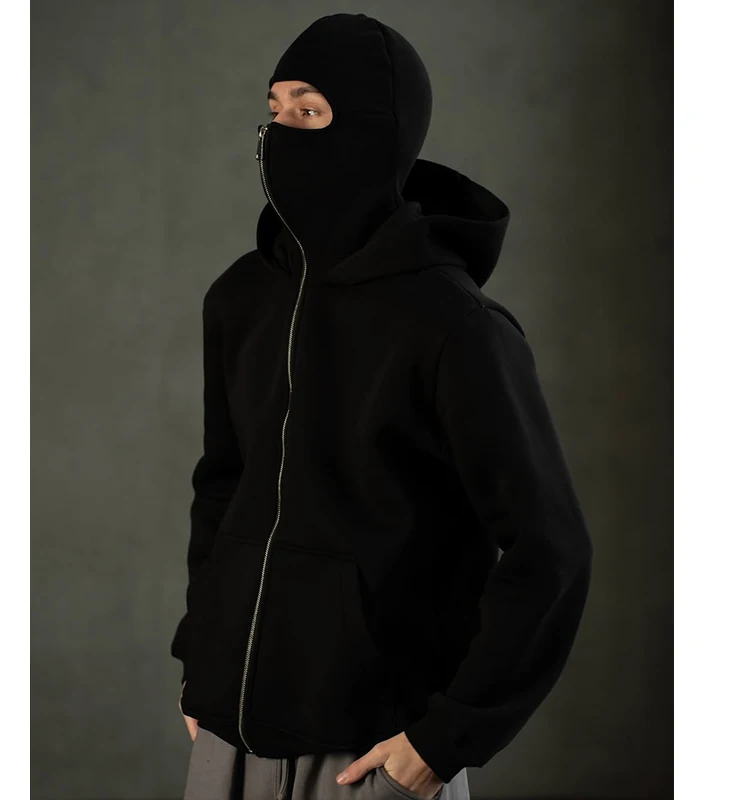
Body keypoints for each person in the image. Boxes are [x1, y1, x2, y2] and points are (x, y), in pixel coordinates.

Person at [171, 12, 593, 800]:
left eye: (310, 111)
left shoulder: (454, 325)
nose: (281, 132)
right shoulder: (239, 299)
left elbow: (551, 550)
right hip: (228, 732)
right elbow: (221, 489)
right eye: (274, 110)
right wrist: (202, 656)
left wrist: (447, 737)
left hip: (370, 751)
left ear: (376, 133)